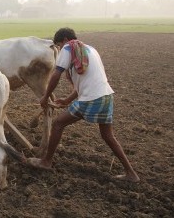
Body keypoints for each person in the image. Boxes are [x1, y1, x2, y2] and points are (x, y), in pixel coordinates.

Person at [27, 27, 140, 182]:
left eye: (59, 45)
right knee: (108, 136)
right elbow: (86, 82)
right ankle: (131, 173)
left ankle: (46, 161)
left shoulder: (68, 47)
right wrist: (67, 100)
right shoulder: (90, 50)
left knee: (58, 124)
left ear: (65, 40)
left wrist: (45, 97)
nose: (59, 49)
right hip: (106, 96)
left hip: (91, 99)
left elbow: (56, 75)